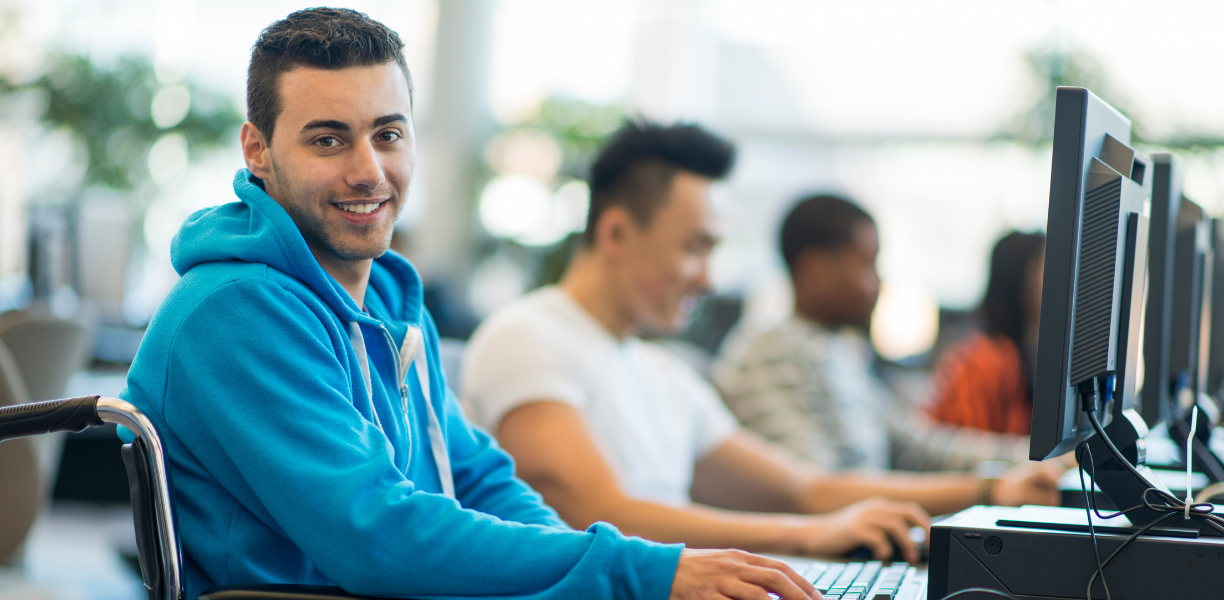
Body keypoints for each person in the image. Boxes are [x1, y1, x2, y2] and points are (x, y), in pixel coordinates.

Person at [119, 9, 820, 600]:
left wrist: (603, 575)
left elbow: (478, 478)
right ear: (258, 150)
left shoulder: (391, 300)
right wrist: (636, 573)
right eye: (328, 139)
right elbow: (377, 534)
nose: (368, 170)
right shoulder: (234, 312)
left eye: (387, 134)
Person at [461, 122, 1061, 566]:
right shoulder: (529, 338)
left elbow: (806, 487)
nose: (707, 276)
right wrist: (803, 535)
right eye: (696, 246)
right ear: (616, 231)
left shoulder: (662, 373)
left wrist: (992, 488)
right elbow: (602, 512)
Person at [714, 195, 1038, 475]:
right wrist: (986, 491)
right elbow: (817, 490)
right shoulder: (770, 353)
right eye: (867, 265)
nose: (879, 283)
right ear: (815, 271)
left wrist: (1034, 458)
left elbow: (920, 446)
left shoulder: (842, 351)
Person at [926, 231, 1046, 435]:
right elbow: (971, 454)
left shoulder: (1027, 354)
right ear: (1019, 279)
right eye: (1048, 270)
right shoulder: (981, 360)